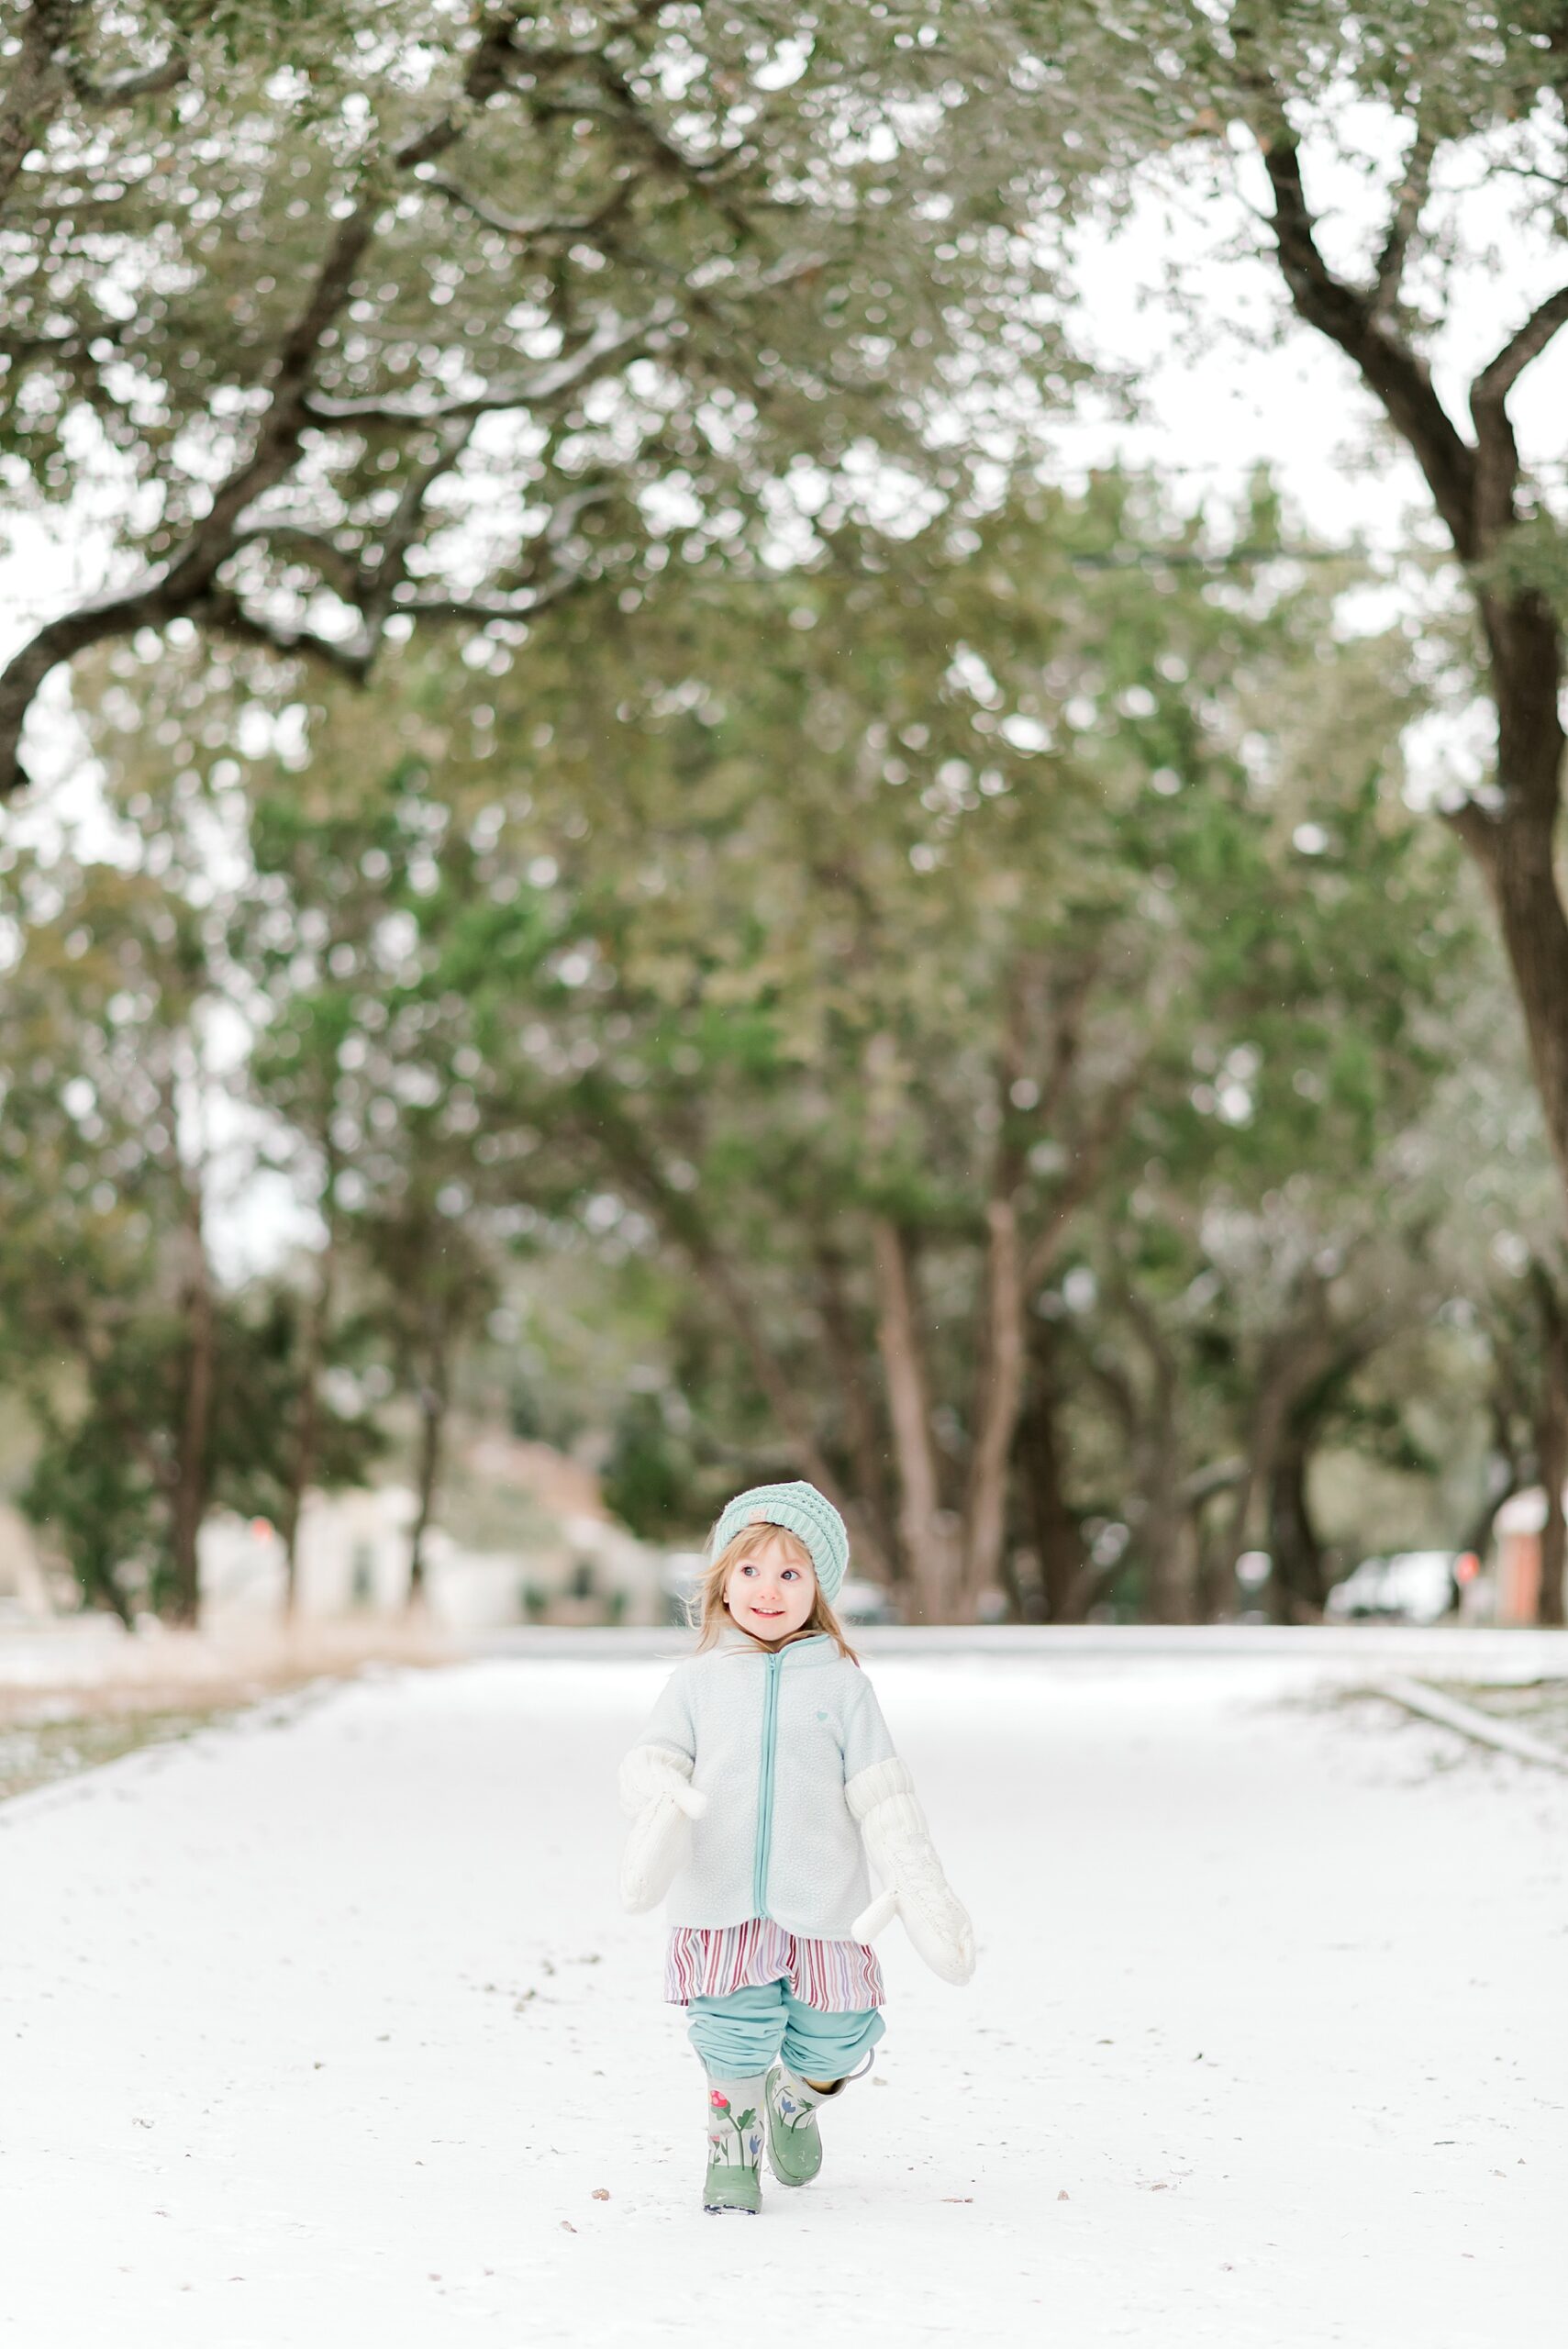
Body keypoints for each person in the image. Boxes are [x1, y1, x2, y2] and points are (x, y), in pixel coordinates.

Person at [617, 1479, 975, 2216]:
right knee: (731, 2033)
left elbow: (882, 1792)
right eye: (749, 1570)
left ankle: (794, 2098)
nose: (768, 1590)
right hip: (720, 1899)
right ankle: (732, 2146)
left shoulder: (845, 1686)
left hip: (823, 1902)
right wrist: (659, 1795)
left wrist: (918, 1881)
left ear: (819, 1587)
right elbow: (652, 1761)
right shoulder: (696, 1684)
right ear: (722, 1581)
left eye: (789, 1573)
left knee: (840, 2034)